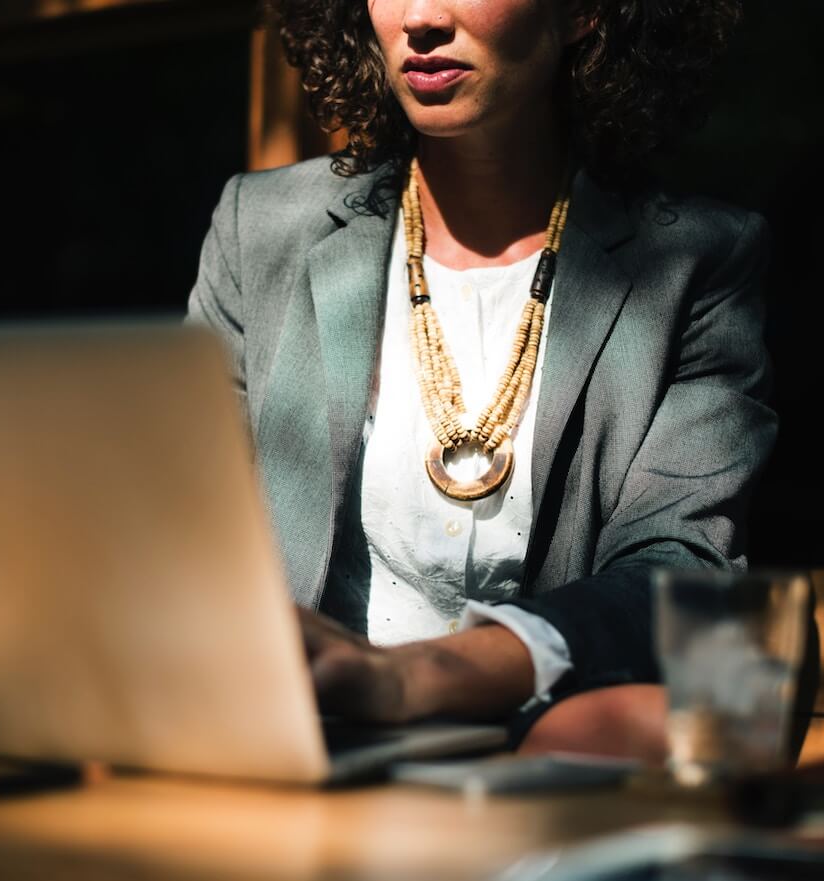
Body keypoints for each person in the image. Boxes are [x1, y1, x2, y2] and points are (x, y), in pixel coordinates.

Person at [188, 0, 775, 762]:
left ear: (583, 14)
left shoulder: (696, 261)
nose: (421, 17)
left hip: (554, 759)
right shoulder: (260, 229)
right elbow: (188, 524)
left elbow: (681, 572)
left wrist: (417, 676)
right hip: (297, 748)